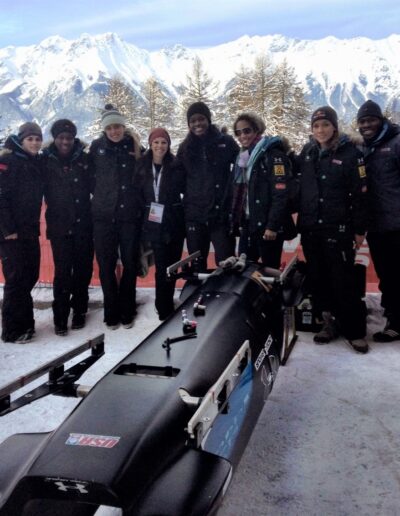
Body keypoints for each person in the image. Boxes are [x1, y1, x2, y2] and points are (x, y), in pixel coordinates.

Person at [297, 106, 368, 353]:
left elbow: (360, 195)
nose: (320, 130)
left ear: (334, 127)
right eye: (316, 126)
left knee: (344, 281)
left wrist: (359, 230)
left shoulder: (350, 153)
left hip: (338, 228)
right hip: (311, 228)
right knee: (319, 280)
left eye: (325, 125)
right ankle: (328, 323)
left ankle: (354, 330)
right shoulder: (307, 152)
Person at [89, 104, 143, 330]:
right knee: (106, 265)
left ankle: (127, 308)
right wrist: (102, 196)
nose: (114, 131)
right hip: (103, 217)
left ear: (123, 126)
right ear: (105, 129)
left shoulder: (134, 145)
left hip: (129, 216)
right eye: (110, 128)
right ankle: (111, 311)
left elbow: (144, 172)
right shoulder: (96, 147)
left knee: (130, 263)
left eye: (118, 126)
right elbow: (88, 176)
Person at [43, 119, 93, 336]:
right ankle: (60, 317)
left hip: (84, 223)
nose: (65, 141)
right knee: (63, 273)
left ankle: (80, 311)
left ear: (74, 138)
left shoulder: (84, 158)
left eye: (69, 138)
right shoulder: (45, 160)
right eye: (61, 137)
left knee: (83, 271)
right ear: (55, 138)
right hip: (59, 226)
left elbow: (98, 180)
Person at [177, 101, 239, 270]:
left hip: (220, 215)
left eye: (201, 119)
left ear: (208, 119)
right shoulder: (184, 148)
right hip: (195, 216)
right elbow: (178, 180)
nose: (198, 124)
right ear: (189, 124)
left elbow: (242, 166)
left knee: (226, 263)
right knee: (196, 265)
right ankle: (198, 296)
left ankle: (225, 296)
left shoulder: (225, 142)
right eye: (193, 121)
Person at [357, 100, 400, 342]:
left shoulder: (395, 143)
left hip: (396, 224)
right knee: (386, 273)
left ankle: (397, 322)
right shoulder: (365, 148)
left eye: (370, 120)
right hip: (376, 224)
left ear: (381, 120)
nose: (366, 125)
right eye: (362, 122)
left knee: (396, 273)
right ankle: (392, 313)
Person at [231, 112, 296, 269]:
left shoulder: (273, 155)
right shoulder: (243, 157)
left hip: (268, 227)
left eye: (247, 130)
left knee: (269, 274)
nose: (242, 136)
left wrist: (272, 225)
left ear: (257, 130)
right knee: (244, 270)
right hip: (249, 223)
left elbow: (280, 193)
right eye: (238, 133)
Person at [0, 122, 44, 343]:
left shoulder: (34, 161)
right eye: (30, 139)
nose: (35, 143)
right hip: (11, 234)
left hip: (29, 231)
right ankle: (11, 330)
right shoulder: (8, 161)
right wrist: (8, 230)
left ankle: (26, 325)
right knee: (15, 280)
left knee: (30, 276)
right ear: (21, 140)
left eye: (37, 139)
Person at [138, 128, 185, 320]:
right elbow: (137, 194)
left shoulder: (175, 165)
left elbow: (184, 190)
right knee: (161, 266)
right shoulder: (141, 166)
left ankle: (168, 300)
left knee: (172, 266)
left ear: (168, 145)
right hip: (153, 223)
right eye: (156, 142)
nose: (160, 146)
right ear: (150, 144)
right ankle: (162, 306)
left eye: (163, 142)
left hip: (173, 222)